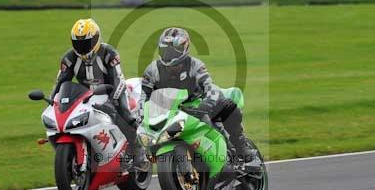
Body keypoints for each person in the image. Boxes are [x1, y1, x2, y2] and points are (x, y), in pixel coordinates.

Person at [140, 27, 258, 164]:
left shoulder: (195, 65)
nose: (168, 54)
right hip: (173, 109)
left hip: (198, 104)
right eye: (165, 50)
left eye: (173, 50)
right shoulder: (152, 70)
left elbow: (209, 85)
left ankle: (240, 145)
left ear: (184, 48)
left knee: (229, 107)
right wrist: (141, 113)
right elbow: (144, 95)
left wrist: (207, 103)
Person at [51, 18, 149, 171]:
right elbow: (60, 84)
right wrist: (54, 101)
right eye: (79, 43)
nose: (83, 47)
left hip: (112, 90)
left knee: (122, 113)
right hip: (86, 95)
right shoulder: (69, 59)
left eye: (87, 43)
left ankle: (139, 153)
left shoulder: (109, 53)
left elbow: (117, 79)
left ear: (96, 38)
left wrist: (113, 100)